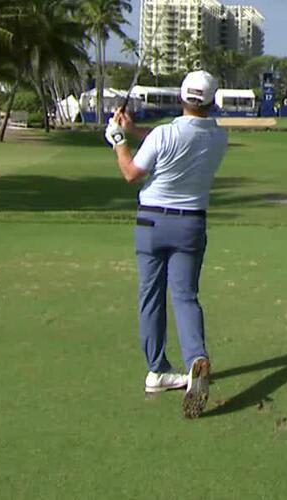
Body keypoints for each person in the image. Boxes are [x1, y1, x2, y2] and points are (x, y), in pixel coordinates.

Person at [106, 70, 230, 419]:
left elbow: (131, 172)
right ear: (211, 102)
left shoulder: (162, 135)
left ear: (181, 97)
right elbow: (178, 142)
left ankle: (157, 370)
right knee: (185, 296)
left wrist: (118, 140)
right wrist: (132, 132)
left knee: (150, 295)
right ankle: (195, 359)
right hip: (190, 225)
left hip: (151, 224)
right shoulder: (219, 138)